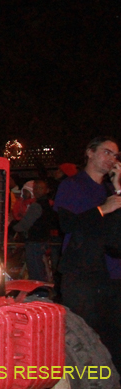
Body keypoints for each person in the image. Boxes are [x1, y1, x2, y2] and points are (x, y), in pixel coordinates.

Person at [53, 136, 121, 367]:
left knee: (114, 337)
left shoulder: (111, 189)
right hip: (83, 273)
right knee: (86, 338)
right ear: (90, 153)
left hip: (112, 272)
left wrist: (119, 188)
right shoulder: (72, 185)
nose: (111, 159)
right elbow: (67, 224)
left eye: (115, 155)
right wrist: (103, 209)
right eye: (107, 152)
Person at [13, 179, 60, 282]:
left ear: (47, 190)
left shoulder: (37, 205)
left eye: (40, 188)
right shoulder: (49, 204)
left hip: (35, 241)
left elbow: (25, 224)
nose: (37, 190)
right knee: (42, 268)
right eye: (35, 188)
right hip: (45, 240)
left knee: (35, 269)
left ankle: (39, 291)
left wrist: (13, 228)